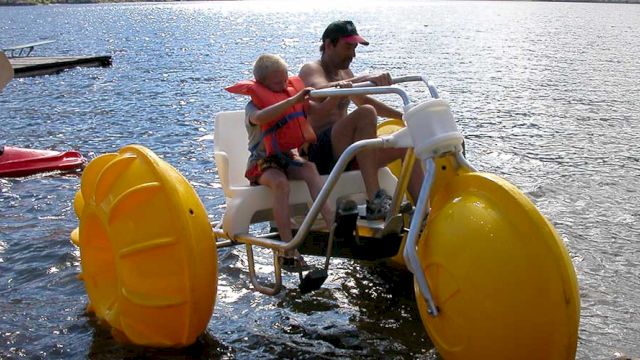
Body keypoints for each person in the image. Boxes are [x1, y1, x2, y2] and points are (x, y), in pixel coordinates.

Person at [299, 20, 423, 220]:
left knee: (407, 145)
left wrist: (404, 116)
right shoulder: (311, 69)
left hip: (346, 153)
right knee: (365, 113)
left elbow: (362, 98)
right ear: (329, 44)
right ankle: (375, 199)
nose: (353, 55)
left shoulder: (345, 73)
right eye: (348, 47)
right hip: (320, 154)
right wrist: (364, 78)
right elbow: (318, 92)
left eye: (355, 48)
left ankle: (423, 214)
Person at [226, 54, 333, 272]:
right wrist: (293, 100)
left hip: (286, 157)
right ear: (261, 84)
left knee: (310, 168)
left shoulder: (290, 94)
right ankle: (288, 247)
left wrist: (337, 93)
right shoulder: (252, 107)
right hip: (262, 163)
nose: (285, 85)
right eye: (278, 83)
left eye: (286, 80)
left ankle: (333, 225)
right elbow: (261, 118)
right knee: (280, 183)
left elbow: (318, 109)